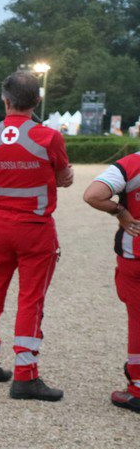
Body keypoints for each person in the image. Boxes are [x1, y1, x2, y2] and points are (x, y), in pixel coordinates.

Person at [0, 70, 73, 400]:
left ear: (5, 100)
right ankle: (25, 375)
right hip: (35, 227)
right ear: (37, 101)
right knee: (30, 299)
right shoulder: (49, 137)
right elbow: (63, 176)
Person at [82, 150, 140, 412]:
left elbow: (93, 195)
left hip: (135, 255)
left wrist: (120, 211)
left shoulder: (132, 164)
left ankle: (137, 388)